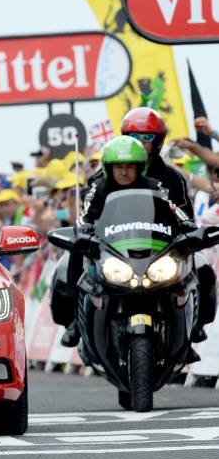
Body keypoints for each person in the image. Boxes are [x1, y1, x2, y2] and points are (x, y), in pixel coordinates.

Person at [54, 137, 164, 346]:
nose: (124, 172)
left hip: (148, 248)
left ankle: (191, 328)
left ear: (140, 167)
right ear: (108, 168)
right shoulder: (98, 187)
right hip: (110, 248)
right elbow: (85, 217)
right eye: (119, 167)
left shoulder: (155, 186)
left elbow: (173, 214)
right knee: (75, 250)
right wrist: (84, 227)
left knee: (192, 261)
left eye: (130, 166)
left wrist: (187, 226)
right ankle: (74, 322)